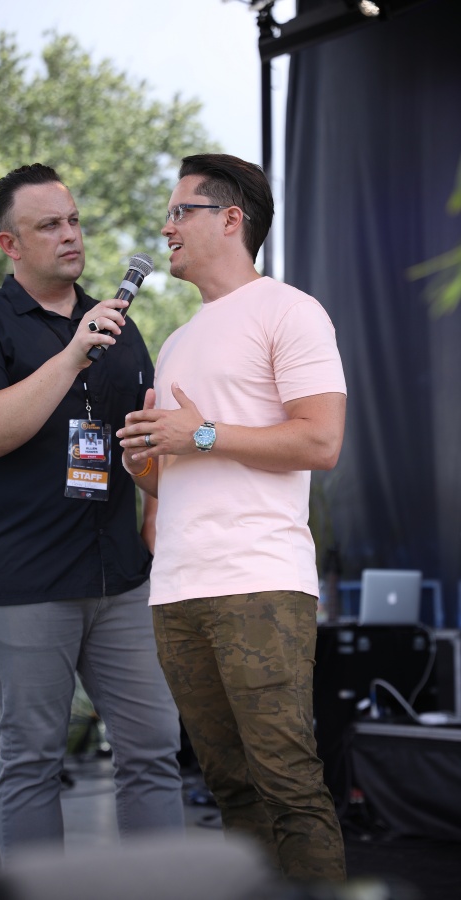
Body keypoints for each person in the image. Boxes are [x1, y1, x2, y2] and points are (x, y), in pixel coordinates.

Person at [0, 163, 184, 862]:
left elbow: (141, 439)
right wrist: (72, 355)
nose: (70, 235)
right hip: (24, 584)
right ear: (10, 244)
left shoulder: (119, 326)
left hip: (120, 578)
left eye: (73, 220)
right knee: (34, 760)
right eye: (49, 225)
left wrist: (155, 508)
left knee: (154, 749)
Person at [117, 153, 347, 883]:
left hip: (259, 582)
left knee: (288, 784)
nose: (166, 227)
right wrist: (143, 462)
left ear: (229, 219)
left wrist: (203, 433)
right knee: (229, 788)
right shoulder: (178, 340)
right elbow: (174, 475)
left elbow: (321, 442)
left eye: (179, 211)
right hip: (178, 588)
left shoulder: (290, 311)